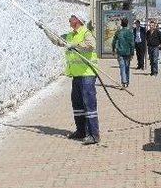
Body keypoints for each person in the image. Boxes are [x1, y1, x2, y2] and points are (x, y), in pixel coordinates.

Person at [45, 14, 100, 145]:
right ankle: (81, 131)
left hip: (87, 74)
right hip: (76, 75)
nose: (69, 20)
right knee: (77, 104)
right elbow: (58, 40)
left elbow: (90, 45)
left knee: (89, 104)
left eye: (71, 19)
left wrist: (74, 45)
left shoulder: (87, 33)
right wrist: (45, 30)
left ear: (78, 21)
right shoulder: (70, 35)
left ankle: (93, 134)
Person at [112, 17, 135, 87]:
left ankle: (123, 82)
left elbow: (114, 41)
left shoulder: (118, 32)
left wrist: (113, 50)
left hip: (120, 52)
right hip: (128, 53)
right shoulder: (130, 32)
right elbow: (132, 44)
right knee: (127, 67)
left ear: (121, 24)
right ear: (127, 24)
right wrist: (132, 54)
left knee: (122, 67)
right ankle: (127, 81)